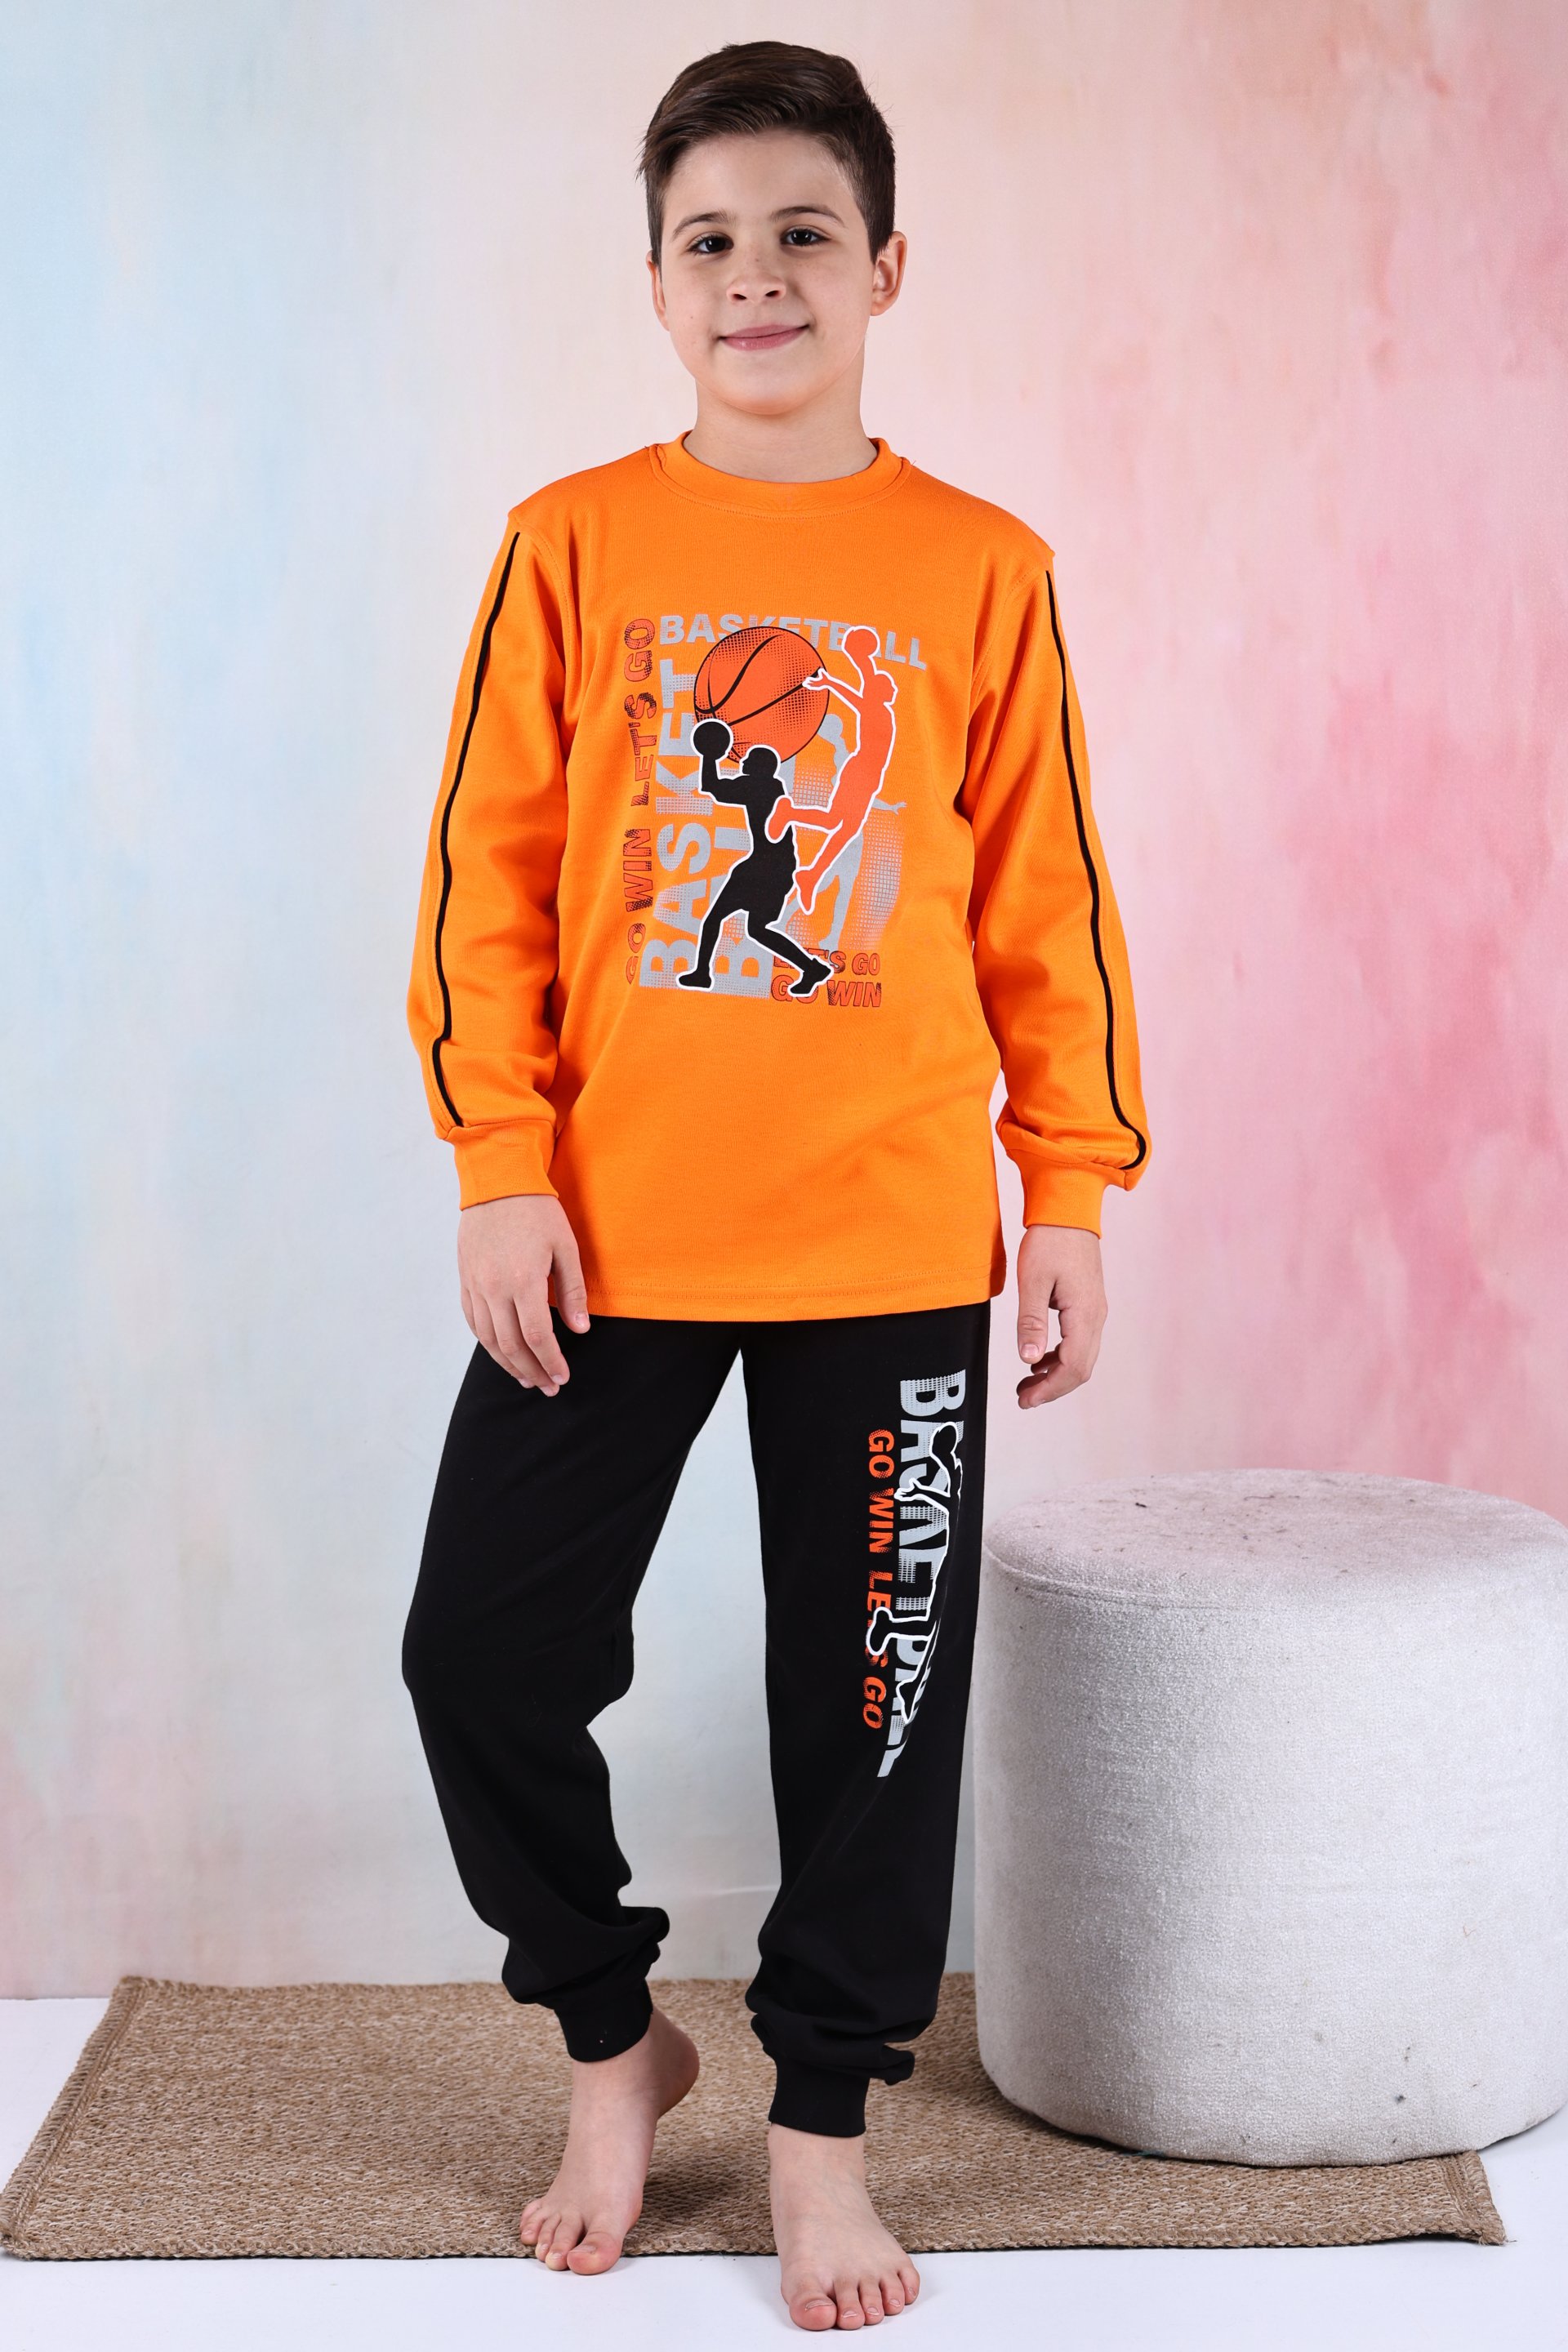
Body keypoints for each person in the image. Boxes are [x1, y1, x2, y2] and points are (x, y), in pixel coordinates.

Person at [401, 38, 1151, 2333]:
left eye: (804, 232)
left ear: (886, 267)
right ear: (656, 285)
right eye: (710, 239)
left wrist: (1068, 1189)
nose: (758, 275)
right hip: (607, 1237)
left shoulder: (980, 569)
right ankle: (613, 2045)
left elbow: (1049, 907)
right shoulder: (572, 546)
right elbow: (487, 880)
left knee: (875, 1711)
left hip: (889, 1238)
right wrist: (501, 1164)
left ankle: (824, 2130)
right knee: (481, 1652)